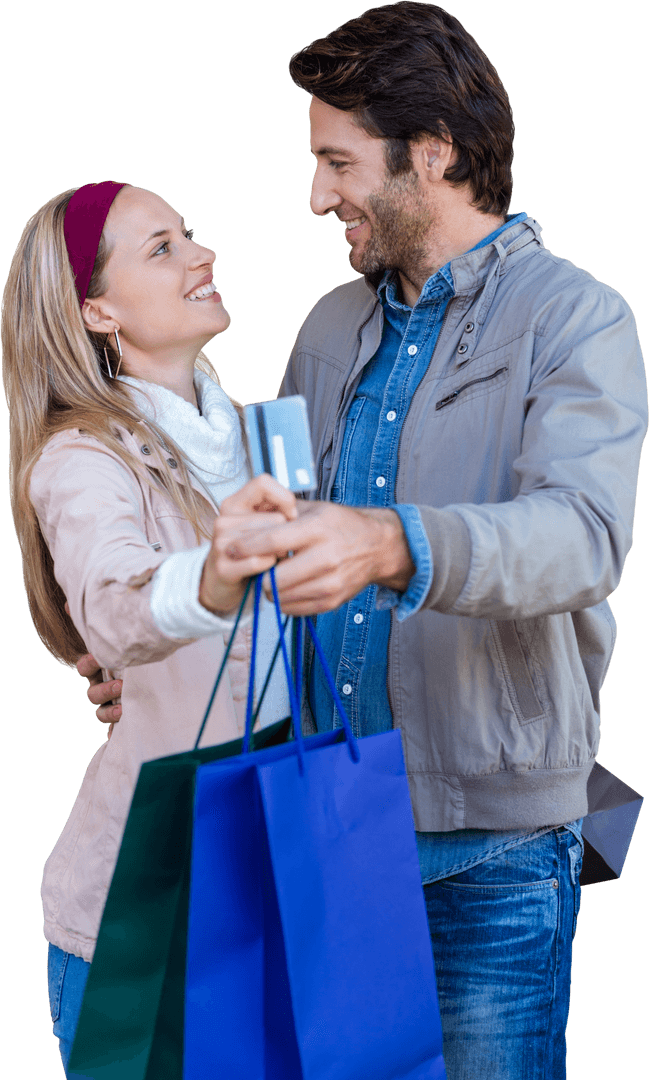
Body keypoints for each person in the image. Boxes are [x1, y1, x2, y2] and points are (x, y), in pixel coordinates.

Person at [81, 4, 647, 1077]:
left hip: (496, 856)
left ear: (429, 151)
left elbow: (581, 538)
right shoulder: (329, 327)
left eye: (337, 162)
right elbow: (284, 551)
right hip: (331, 836)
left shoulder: (579, 321)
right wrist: (170, 646)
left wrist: (390, 541)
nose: (315, 196)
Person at [1, 180, 298, 1076]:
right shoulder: (81, 458)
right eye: (160, 249)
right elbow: (115, 604)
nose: (201, 256)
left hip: (274, 873)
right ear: (96, 310)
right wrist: (213, 575)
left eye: (190, 236)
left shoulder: (264, 437)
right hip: (146, 904)